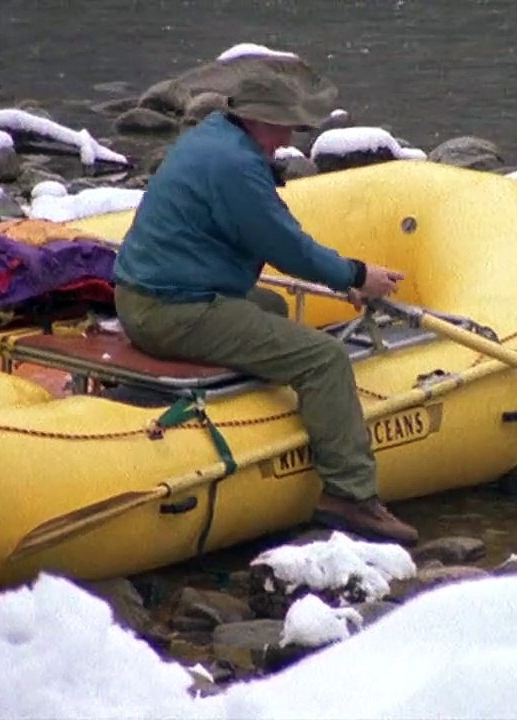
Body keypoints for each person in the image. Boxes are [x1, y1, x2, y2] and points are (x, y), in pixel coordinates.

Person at [112, 68, 420, 546]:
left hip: (147, 295)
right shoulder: (235, 167)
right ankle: (350, 495)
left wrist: (343, 278)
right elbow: (285, 245)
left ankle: (254, 413)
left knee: (270, 305)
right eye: (284, 126)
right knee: (324, 360)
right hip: (174, 309)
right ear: (257, 119)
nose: (288, 138)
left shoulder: (213, 135)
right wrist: (357, 275)